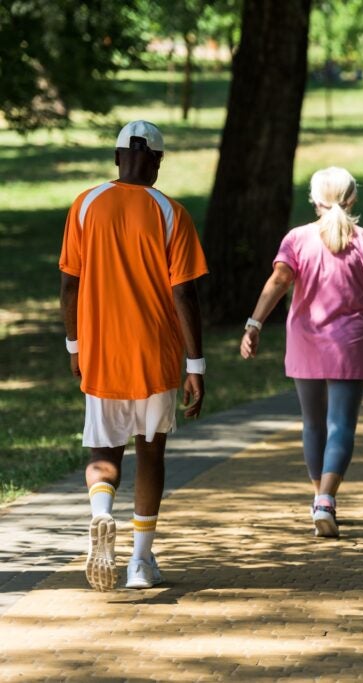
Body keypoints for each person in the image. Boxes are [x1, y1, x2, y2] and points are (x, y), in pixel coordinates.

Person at [59, 120, 209, 591]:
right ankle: (140, 563)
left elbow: (69, 284)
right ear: (157, 162)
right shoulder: (171, 212)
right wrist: (196, 364)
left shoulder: (85, 205)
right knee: (151, 452)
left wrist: (74, 345)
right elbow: (184, 293)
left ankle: (101, 513)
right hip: (156, 356)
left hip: (101, 352)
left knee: (104, 450)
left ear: (116, 157)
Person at [240, 167, 363, 538]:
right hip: (351, 343)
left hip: (306, 341)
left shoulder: (297, 239)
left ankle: (320, 499)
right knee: (341, 424)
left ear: (314, 200)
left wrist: (254, 323)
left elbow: (279, 281)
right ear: (353, 198)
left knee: (313, 423)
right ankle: (325, 500)